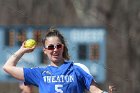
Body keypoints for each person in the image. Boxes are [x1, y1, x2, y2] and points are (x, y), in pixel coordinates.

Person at [3, 27, 111, 93]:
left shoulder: (77, 69)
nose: (55, 50)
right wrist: (22, 50)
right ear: (45, 51)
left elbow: (96, 91)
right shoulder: (40, 73)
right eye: (50, 47)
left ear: (62, 48)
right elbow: (7, 67)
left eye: (58, 46)